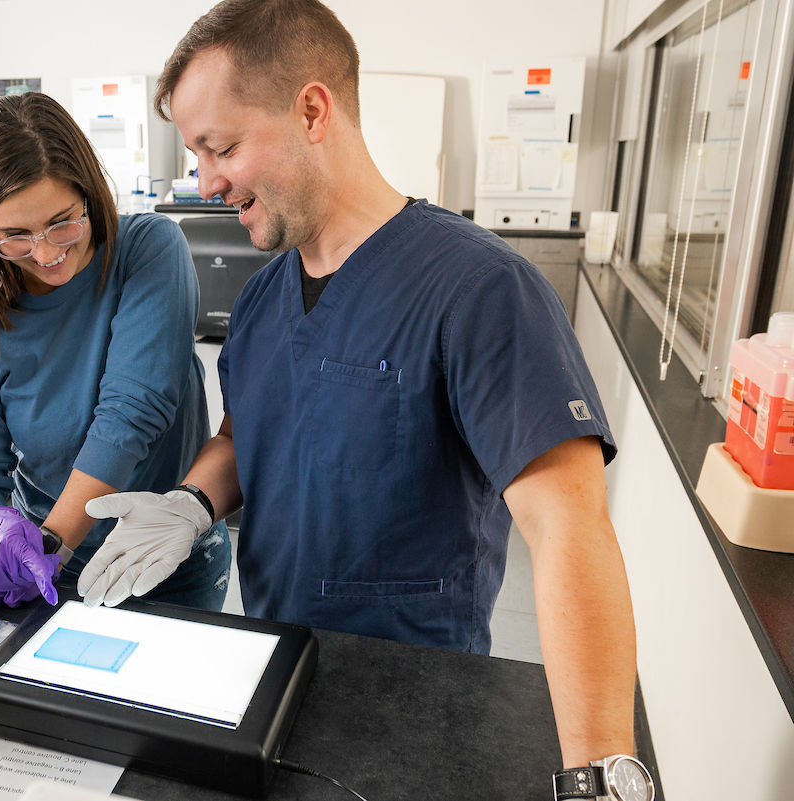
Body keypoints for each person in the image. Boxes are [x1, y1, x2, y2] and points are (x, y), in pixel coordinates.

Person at [77, 0, 643, 785]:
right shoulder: (262, 297)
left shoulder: (479, 288)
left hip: (414, 707)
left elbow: (570, 529)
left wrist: (601, 774)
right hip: (268, 679)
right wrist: (192, 502)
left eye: (222, 147)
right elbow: (250, 432)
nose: (206, 182)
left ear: (313, 110)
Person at [0, 92, 231, 611]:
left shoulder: (147, 249)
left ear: (89, 193)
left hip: (164, 550)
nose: (47, 253)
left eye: (62, 222)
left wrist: (51, 542)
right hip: (51, 565)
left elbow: (131, 413)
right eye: (15, 237)